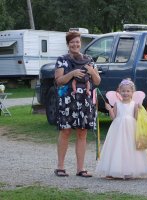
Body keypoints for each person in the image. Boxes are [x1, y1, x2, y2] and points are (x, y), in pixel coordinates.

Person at [54, 31, 101, 177]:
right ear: (68, 44)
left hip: (85, 100)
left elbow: (97, 81)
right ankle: (60, 167)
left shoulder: (89, 59)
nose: (75, 44)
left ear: (81, 43)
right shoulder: (62, 59)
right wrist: (72, 73)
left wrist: (92, 72)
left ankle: (80, 169)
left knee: (82, 132)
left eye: (78, 42)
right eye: (72, 42)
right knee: (66, 131)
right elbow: (58, 81)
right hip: (68, 100)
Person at [95, 79, 147, 179]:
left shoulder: (135, 104)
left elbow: (136, 118)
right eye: (123, 91)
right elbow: (113, 117)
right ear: (119, 92)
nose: (125, 93)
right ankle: (116, 169)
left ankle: (130, 169)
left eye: (128, 91)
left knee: (130, 148)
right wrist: (109, 109)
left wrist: (140, 110)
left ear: (132, 92)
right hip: (117, 129)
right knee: (117, 147)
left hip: (131, 129)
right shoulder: (117, 103)